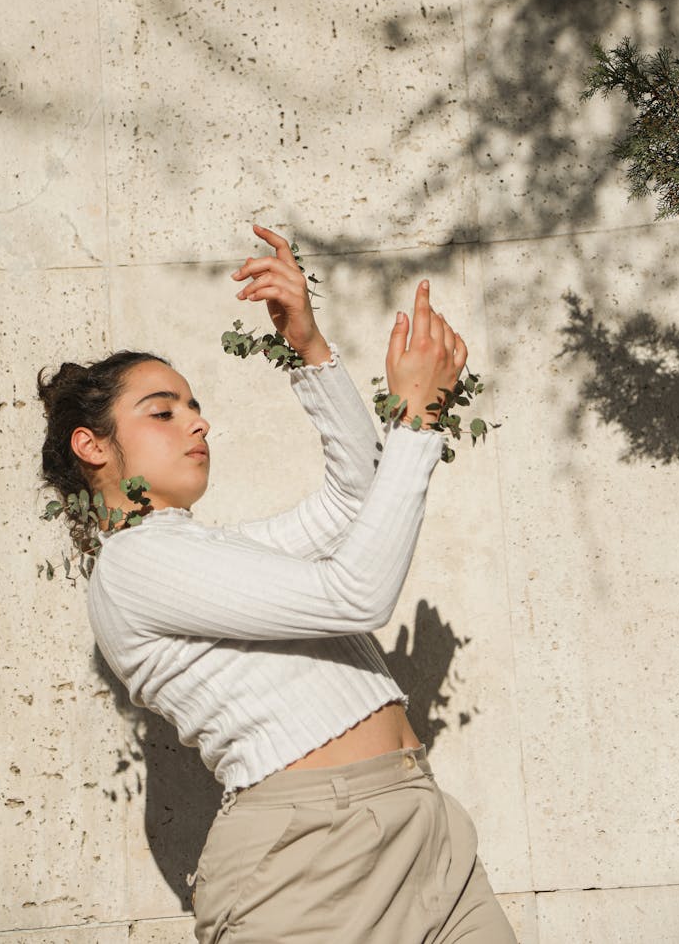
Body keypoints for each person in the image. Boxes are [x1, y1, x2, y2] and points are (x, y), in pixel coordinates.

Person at [37, 225, 517, 944]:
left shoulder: (210, 550)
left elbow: (354, 503)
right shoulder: (133, 567)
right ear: (92, 444)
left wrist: (308, 344)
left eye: (195, 406)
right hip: (309, 862)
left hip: (422, 825)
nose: (196, 422)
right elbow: (359, 593)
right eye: (163, 411)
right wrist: (417, 417)